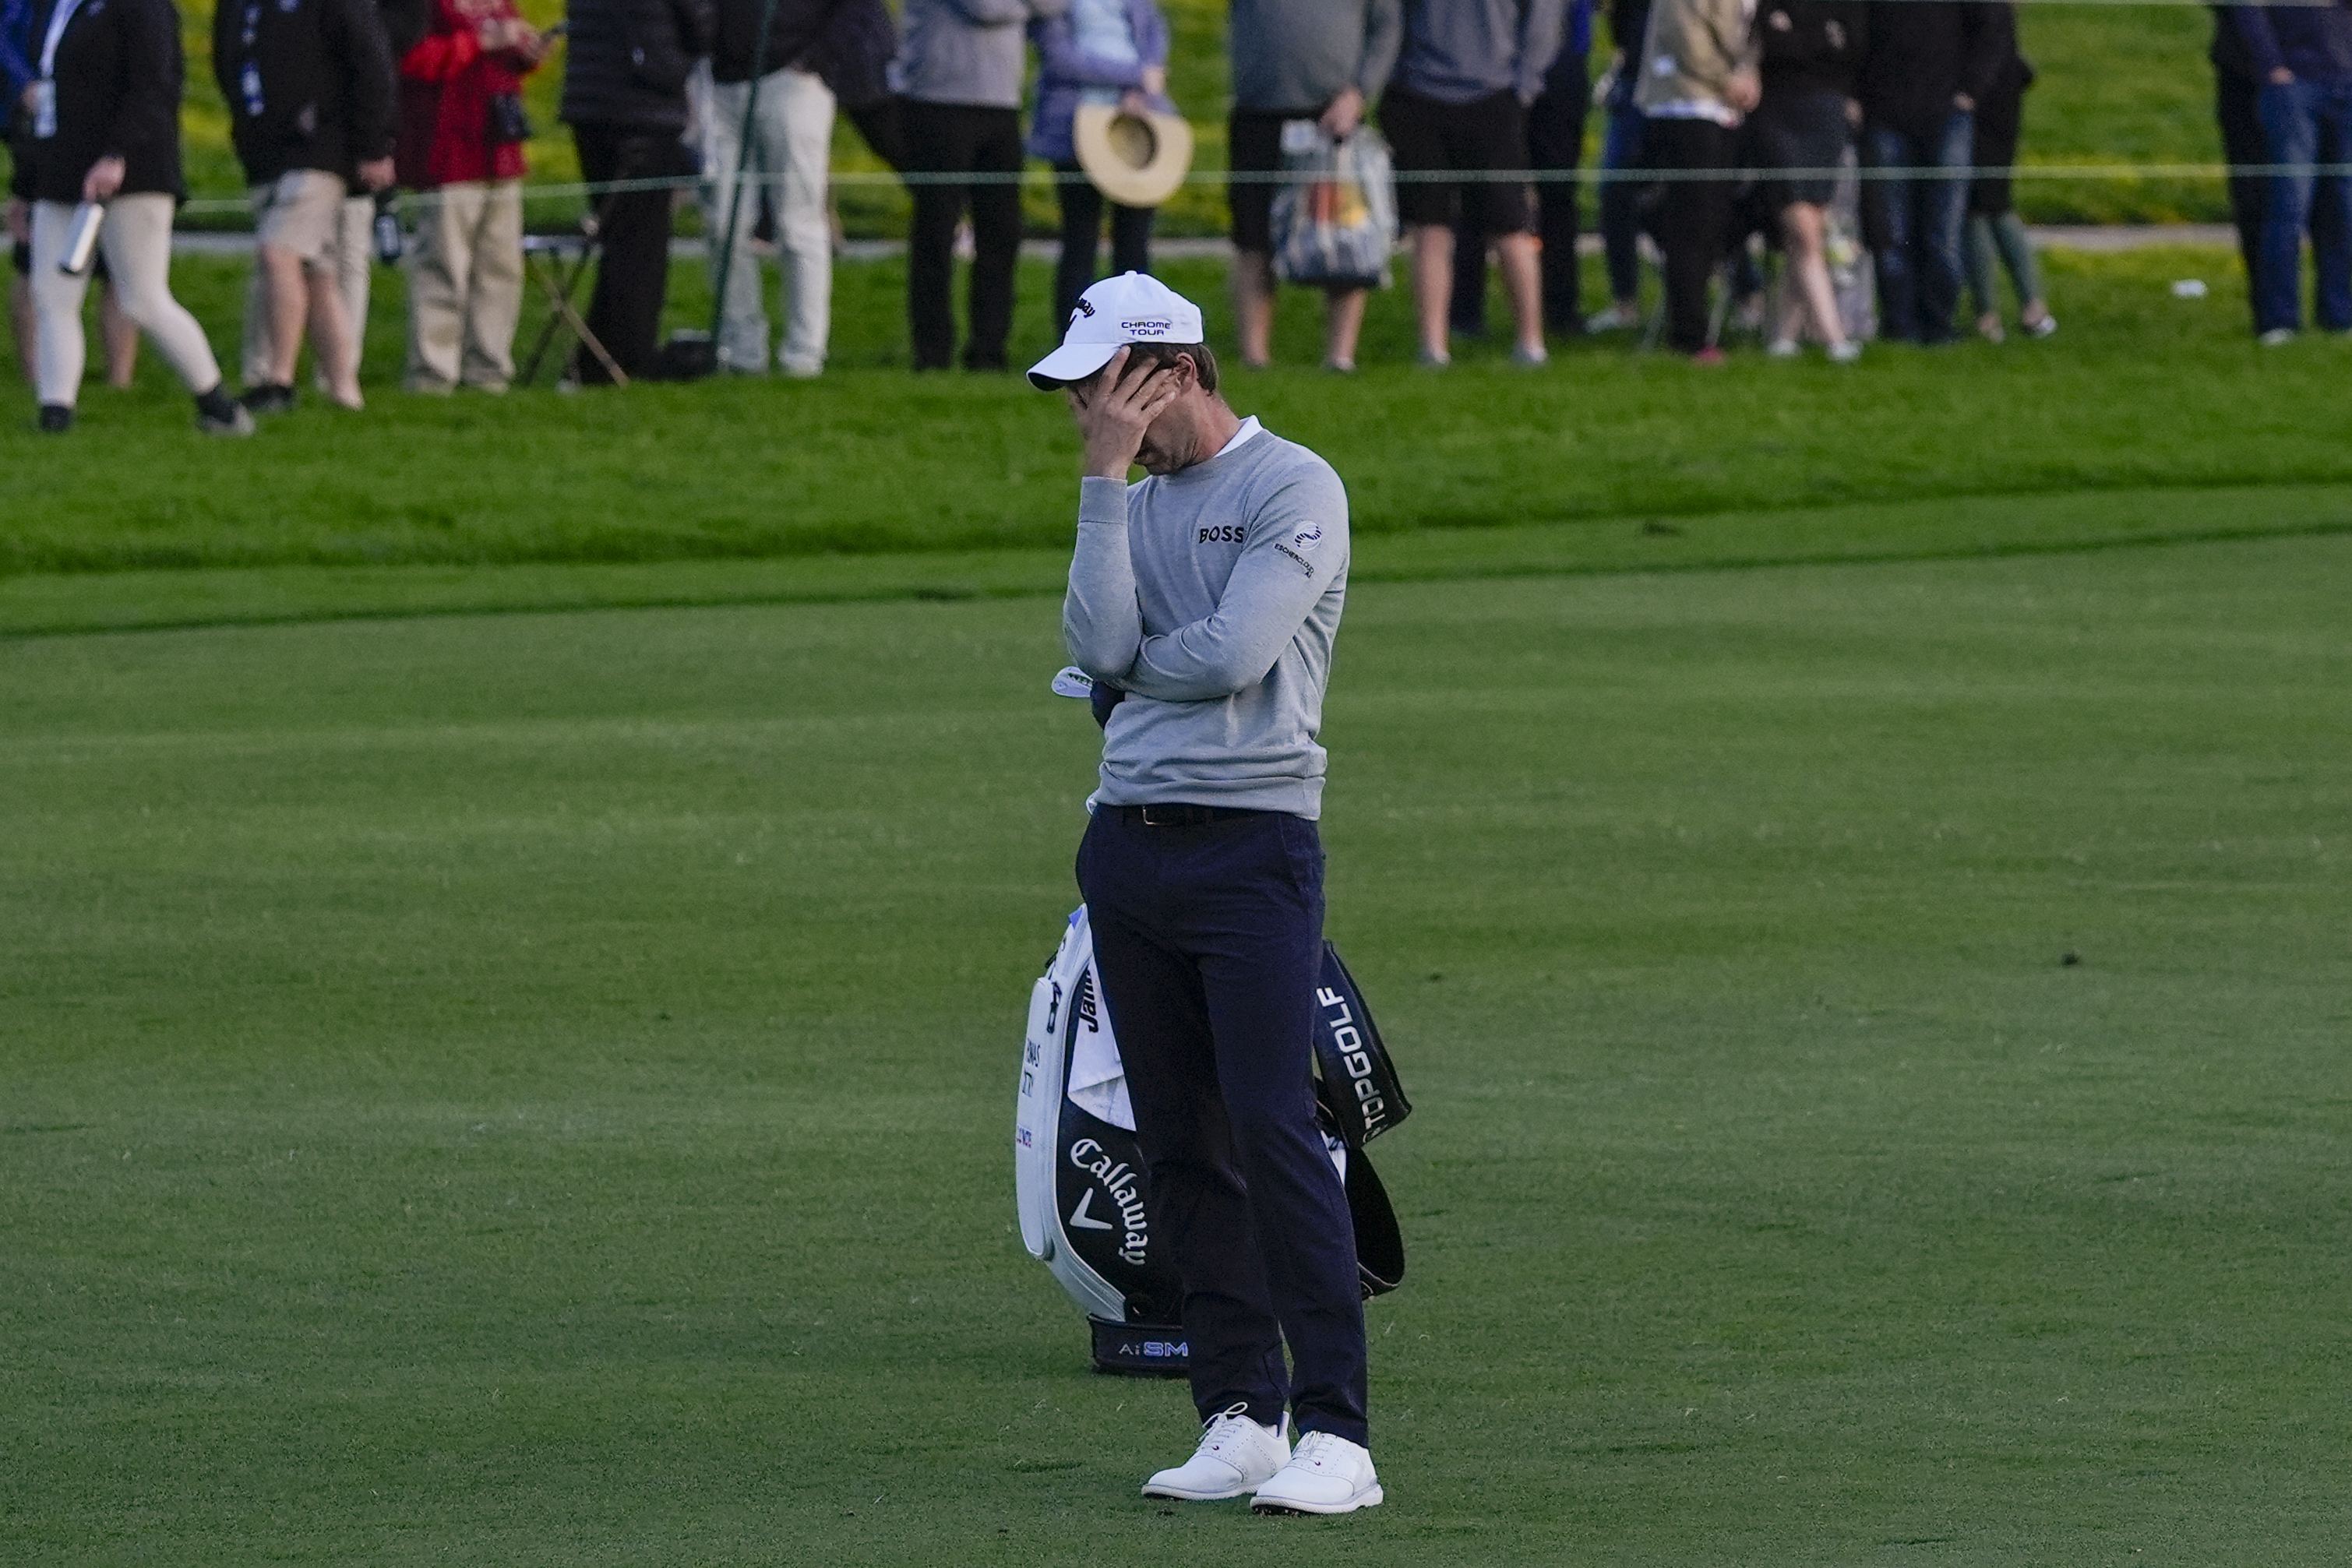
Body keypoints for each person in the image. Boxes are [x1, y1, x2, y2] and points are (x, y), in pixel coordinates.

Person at [1027, 271, 1376, 1517]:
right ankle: (1240, 1414)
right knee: (1176, 1135)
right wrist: (1103, 488)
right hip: (1126, 846)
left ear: (1170, 369)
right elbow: (1091, 640)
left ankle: (1338, 1429)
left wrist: (1127, 675)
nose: (1085, 412)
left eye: (1100, 386)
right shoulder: (1120, 495)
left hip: (1251, 848)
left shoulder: (1294, 485)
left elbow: (1233, 651)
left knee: (1273, 1124)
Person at [10, 0, 252, 433]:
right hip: (63, 172)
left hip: (132, 171)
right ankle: (55, 412)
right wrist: (28, 182)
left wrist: (117, 153)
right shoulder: (59, 8)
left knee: (143, 298)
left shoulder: (142, 6)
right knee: (52, 294)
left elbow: (155, 86)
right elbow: (50, 96)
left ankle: (217, 404)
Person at [215, 0, 399, 411]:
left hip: (320, 148)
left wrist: (373, 143)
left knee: (279, 253)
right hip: (266, 150)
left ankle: (277, 382)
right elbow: (227, 60)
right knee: (318, 273)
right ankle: (345, 389)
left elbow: (370, 61)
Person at [1384, 0, 1562, 368]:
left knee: (1511, 227)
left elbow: (1544, 18)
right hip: (1418, 95)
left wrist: (1525, 85)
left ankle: (1531, 344)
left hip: (1494, 97)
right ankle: (1433, 348)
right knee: (1430, 229)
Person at [1226, 0, 1401, 372]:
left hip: (1334, 117)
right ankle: (1254, 358)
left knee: (1344, 238)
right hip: (1258, 114)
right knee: (1252, 236)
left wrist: (1359, 94)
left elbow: (1387, 28)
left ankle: (1340, 357)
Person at [893, 0, 1067, 373]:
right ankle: (932, 354)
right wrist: (1029, 9)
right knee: (936, 233)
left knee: (1002, 233)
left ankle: (989, 352)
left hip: (1001, 104)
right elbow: (984, 7)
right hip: (938, 102)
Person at [394, 0, 548, 393]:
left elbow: (506, 59)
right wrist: (479, 41)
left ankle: (489, 367)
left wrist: (527, 54)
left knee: (500, 266)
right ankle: (432, 371)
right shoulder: (425, 9)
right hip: (448, 149)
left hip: (498, 147)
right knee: (444, 262)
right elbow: (412, 61)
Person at [558, 0, 715, 383]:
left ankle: (602, 357)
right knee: (641, 245)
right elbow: (701, 23)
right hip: (641, 103)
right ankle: (624, 356)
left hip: (590, 103)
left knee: (620, 240)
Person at [704, 0, 841, 377]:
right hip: (719, 79)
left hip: (792, 79)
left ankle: (804, 354)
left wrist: (817, 57)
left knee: (798, 222)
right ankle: (742, 349)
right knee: (722, 224)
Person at [1856, 0, 2002, 346]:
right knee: (1891, 229)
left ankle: (1938, 321)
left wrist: (1970, 91)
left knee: (1943, 228)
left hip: (1947, 114)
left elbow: (1992, 27)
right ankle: (1900, 322)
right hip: (1884, 112)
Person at [1448, 0, 1592, 343]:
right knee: (1478, 190)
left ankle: (1559, 310)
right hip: (1490, 64)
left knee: (1557, 192)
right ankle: (1464, 312)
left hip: (1561, 62)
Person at [1026, 0, 1173, 329]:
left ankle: (1136, 341)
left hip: (1138, 125)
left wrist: (1140, 90)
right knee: (1080, 239)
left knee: (1134, 243)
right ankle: (1075, 341)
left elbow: (1154, 34)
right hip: (1073, 130)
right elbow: (1060, 59)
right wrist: (1135, 76)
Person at [1634, 0, 1759, 361]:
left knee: (1714, 224)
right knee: (1690, 229)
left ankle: (1705, 320)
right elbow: (1686, 37)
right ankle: (1689, 334)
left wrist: (1750, 76)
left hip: (1725, 113)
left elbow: (1747, 33)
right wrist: (1730, 81)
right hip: (1686, 108)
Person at [2227, 0, 2352, 344]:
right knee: (2289, 202)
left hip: (2343, 79)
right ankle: (2279, 319)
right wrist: (2272, 67)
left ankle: (2340, 316)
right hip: (2292, 86)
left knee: (2343, 204)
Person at [1748, 0, 1864, 361]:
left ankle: (1783, 336)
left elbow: (1851, 51)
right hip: (1778, 119)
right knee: (1805, 231)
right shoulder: (1770, 7)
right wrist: (1817, 45)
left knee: (1807, 231)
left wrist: (1799, 42)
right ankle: (1835, 338)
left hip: (1825, 119)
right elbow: (1776, 48)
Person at [1961, 3, 2052, 343]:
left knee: (1984, 204)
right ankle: (2023, 307)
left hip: (1987, 94)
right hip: (1993, 88)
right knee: (1987, 203)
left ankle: (1996, 311)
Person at [1584, 0, 1649, 331]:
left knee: (1698, 193)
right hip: (1633, 86)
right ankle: (1625, 302)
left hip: (1683, 87)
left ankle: (1746, 292)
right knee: (1614, 194)